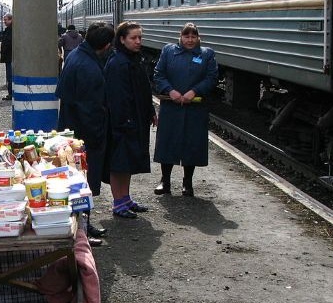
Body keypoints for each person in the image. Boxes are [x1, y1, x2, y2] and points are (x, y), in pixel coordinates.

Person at [55, 21, 115, 246]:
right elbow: (90, 109)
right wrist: (99, 136)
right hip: (85, 136)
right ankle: (82, 231)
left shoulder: (76, 56)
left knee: (80, 181)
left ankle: (84, 225)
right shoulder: (89, 67)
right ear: (107, 45)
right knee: (84, 183)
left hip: (72, 128)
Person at [152, 22, 219, 196]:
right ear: (180, 37)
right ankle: (165, 181)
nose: (190, 40)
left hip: (195, 108)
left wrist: (194, 91)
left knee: (192, 144)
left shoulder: (207, 54)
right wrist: (170, 90)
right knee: (167, 142)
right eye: (186, 36)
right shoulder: (169, 51)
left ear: (198, 38)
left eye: (193, 36)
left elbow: (212, 78)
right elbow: (159, 74)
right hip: (171, 106)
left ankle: (187, 183)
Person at [103, 22, 157, 218]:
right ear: (122, 39)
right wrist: (125, 121)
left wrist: (150, 110)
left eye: (140, 38)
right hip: (124, 122)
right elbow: (117, 97)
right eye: (133, 38)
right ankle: (118, 203)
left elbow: (144, 90)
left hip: (136, 119)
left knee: (129, 162)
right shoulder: (118, 63)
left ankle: (125, 198)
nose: (138, 41)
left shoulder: (134, 59)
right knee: (119, 163)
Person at [0, 13, 13, 100]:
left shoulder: (11, 30)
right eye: (4, 20)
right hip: (8, 57)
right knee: (9, 76)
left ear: (11, 20)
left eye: (6, 20)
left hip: (9, 57)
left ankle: (11, 94)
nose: (4, 21)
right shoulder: (9, 29)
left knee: (10, 76)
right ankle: (10, 93)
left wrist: (3, 51)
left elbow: (8, 43)